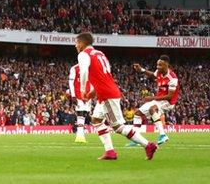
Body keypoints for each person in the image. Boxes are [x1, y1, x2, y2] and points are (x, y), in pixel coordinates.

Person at [75, 32, 158, 160]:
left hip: (107, 94)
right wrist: (92, 93)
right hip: (107, 91)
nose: (75, 46)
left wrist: (82, 90)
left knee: (118, 127)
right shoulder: (100, 54)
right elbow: (104, 75)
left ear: (81, 43)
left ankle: (148, 145)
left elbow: (84, 71)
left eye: (76, 43)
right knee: (96, 119)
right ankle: (110, 152)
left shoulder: (83, 54)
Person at [127, 55, 179, 146]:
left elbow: (170, 96)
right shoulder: (159, 72)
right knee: (137, 113)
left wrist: (152, 98)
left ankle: (163, 135)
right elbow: (152, 74)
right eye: (157, 65)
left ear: (166, 65)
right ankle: (136, 139)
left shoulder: (172, 78)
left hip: (169, 102)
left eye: (160, 65)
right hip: (159, 100)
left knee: (152, 109)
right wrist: (142, 70)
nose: (158, 67)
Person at [68, 63, 93, 143]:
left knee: (85, 113)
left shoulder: (90, 68)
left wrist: (92, 93)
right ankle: (80, 135)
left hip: (88, 95)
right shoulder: (74, 68)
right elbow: (71, 83)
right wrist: (73, 95)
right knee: (80, 113)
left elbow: (92, 81)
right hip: (78, 95)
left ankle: (81, 133)